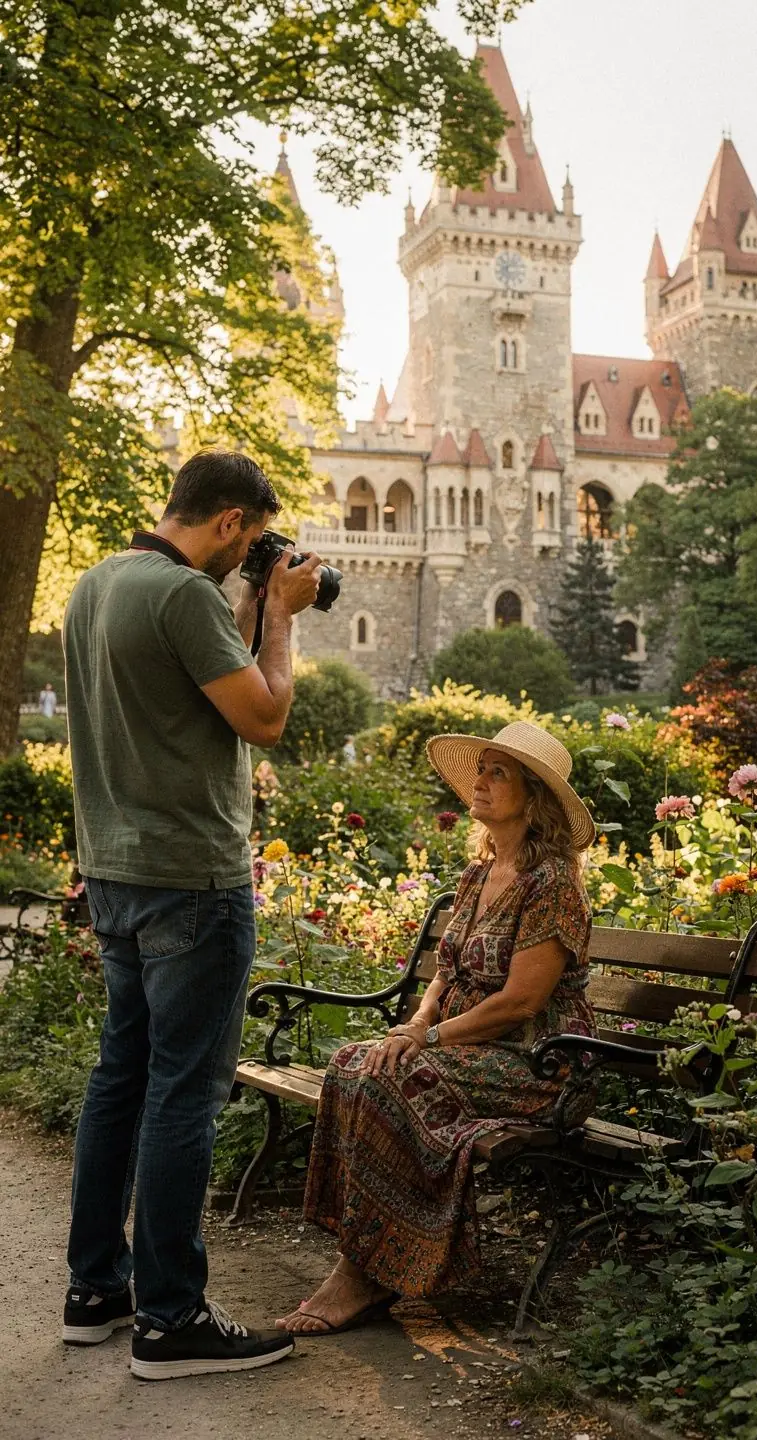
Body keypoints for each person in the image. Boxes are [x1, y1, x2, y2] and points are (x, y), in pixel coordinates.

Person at [62, 449, 322, 1380]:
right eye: (248, 543)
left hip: (116, 872)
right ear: (229, 522)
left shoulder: (99, 585)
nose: (247, 560)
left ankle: (96, 1288)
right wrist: (282, 623)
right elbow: (262, 718)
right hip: (192, 881)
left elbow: (181, 698)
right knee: (184, 1092)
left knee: (120, 1078)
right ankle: (171, 1319)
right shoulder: (181, 596)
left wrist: (248, 609)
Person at [275, 720, 597, 1336]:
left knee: (392, 1078)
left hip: (540, 1064)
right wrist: (416, 1023)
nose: (480, 780)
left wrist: (427, 1041)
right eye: (481, 768)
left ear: (534, 797)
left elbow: (520, 1004)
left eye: (498, 772)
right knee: (354, 1061)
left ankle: (363, 1275)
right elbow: (445, 976)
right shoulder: (477, 876)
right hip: (465, 1046)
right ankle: (373, 1253)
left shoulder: (552, 884)